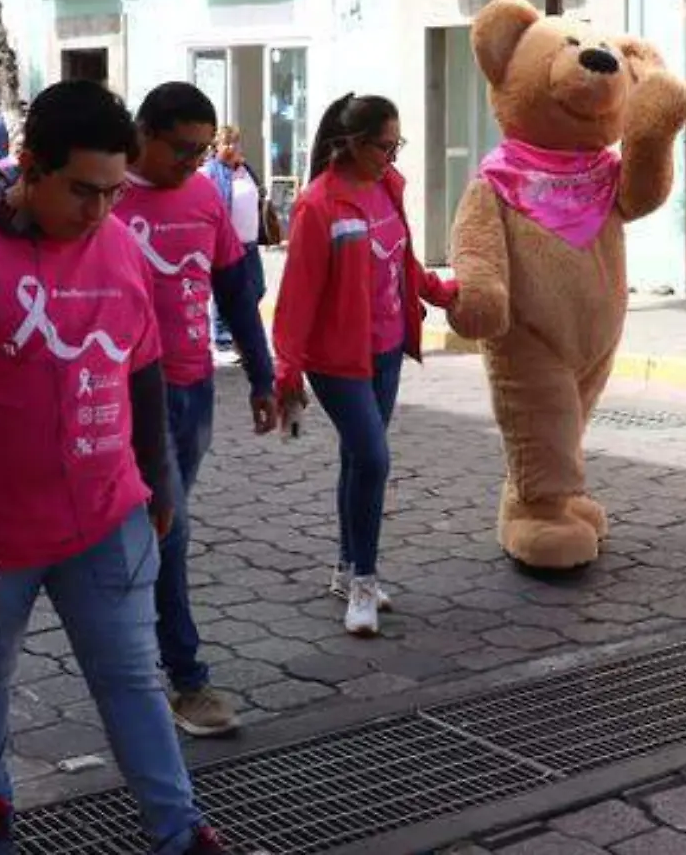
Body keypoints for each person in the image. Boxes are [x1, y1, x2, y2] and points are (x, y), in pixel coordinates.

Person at [0, 80, 231, 855]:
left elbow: (143, 366)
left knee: (132, 677)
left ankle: (178, 831)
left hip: (106, 516)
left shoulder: (115, 243)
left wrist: (159, 479)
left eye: (112, 191)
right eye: (81, 191)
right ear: (29, 165)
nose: (100, 211)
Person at [115, 83, 278, 737]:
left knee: (153, 530)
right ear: (142, 133)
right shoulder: (104, 197)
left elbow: (235, 292)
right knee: (169, 528)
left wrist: (263, 376)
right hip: (123, 397)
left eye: (202, 150)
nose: (192, 161)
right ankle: (187, 680)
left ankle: (123, 622)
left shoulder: (204, 195)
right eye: (181, 149)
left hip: (193, 391)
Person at [272, 93, 455, 636]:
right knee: (373, 459)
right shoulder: (318, 205)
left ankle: (346, 566)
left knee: (358, 458)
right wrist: (288, 368)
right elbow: (298, 295)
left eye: (397, 144)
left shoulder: (388, 188)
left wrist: (440, 292)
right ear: (351, 143)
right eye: (384, 145)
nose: (392, 157)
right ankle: (363, 584)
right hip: (339, 359)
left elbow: (402, 260)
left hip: (387, 346)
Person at [201, 125, 272, 364]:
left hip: (250, 243)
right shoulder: (210, 172)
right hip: (227, 243)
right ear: (216, 148)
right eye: (227, 143)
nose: (232, 148)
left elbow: (258, 196)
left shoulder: (244, 169)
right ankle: (223, 340)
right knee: (226, 291)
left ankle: (236, 333)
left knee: (257, 288)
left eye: (235, 143)